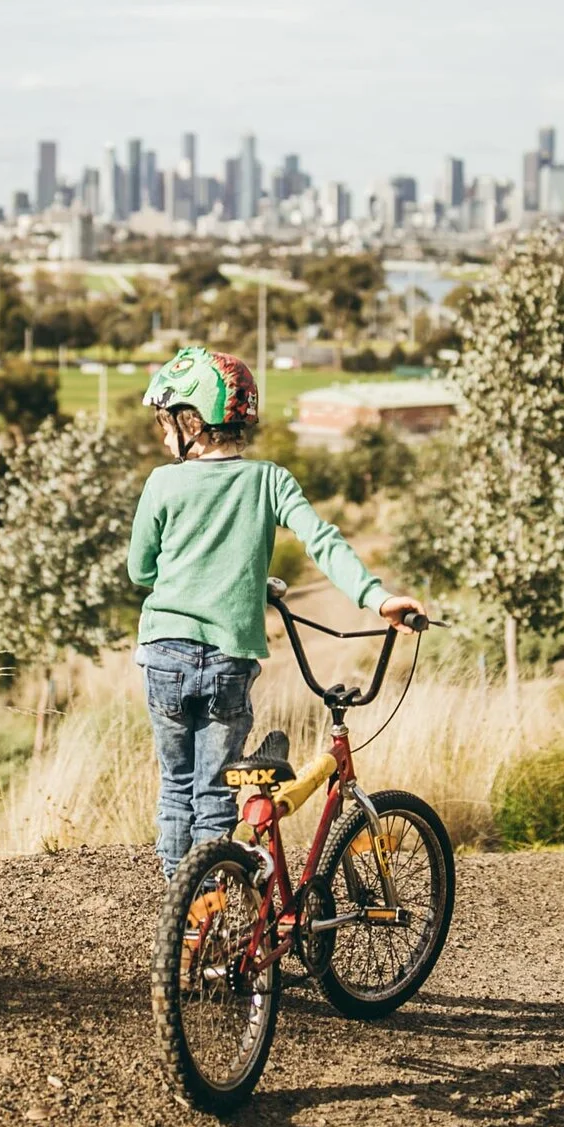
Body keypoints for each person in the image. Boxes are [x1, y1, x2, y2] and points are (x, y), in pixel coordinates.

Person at [128, 346, 424, 880]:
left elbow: (141, 571)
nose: (162, 433)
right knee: (215, 789)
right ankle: (210, 901)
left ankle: (181, 904)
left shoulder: (161, 484)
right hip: (227, 659)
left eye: (165, 421)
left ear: (192, 421)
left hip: (164, 653)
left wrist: (223, 577)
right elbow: (323, 542)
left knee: (176, 785)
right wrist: (377, 598)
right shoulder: (270, 481)